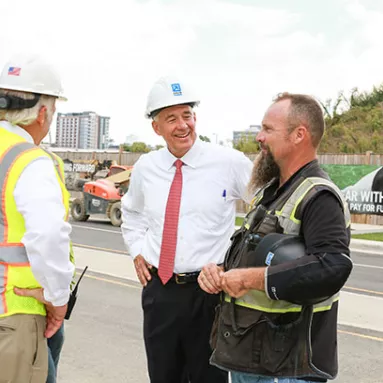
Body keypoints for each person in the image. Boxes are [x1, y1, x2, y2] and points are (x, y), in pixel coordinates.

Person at [198, 93, 353, 383]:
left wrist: (249, 279)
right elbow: (253, 256)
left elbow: (332, 267)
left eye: (268, 129)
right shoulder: (270, 193)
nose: (259, 137)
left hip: (289, 366)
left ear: (299, 135)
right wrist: (221, 273)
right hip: (253, 356)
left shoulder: (319, 196)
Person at [121, 76, 253, 383]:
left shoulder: (229, 163)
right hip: (160, 291)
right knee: (163, 375)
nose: (182, 126)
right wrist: (137, 251)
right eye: (171, 119)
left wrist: (233, 264)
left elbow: (264, 213)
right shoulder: (146, 168)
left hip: (209, 294)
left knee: (210, 378)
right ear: (156, 127)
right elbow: (132, 213)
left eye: (187, 116)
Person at [0, 55, 75, 382]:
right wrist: (58, 299)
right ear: (42, 112)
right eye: (54, 110)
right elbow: (47, 236)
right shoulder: (29, 160)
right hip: (14, 312)